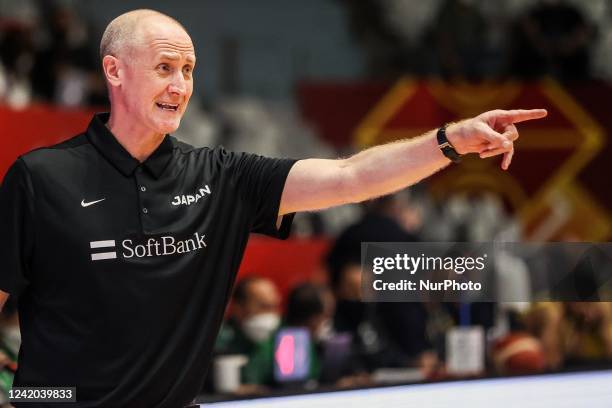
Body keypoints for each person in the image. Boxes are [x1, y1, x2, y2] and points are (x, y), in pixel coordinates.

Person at [0, 8, 547, 408]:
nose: (181, 86)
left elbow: (350, 176)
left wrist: (451, 140)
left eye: (189, 70)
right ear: (115, 71)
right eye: (165, 68)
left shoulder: (222, 176)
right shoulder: (41, 177)